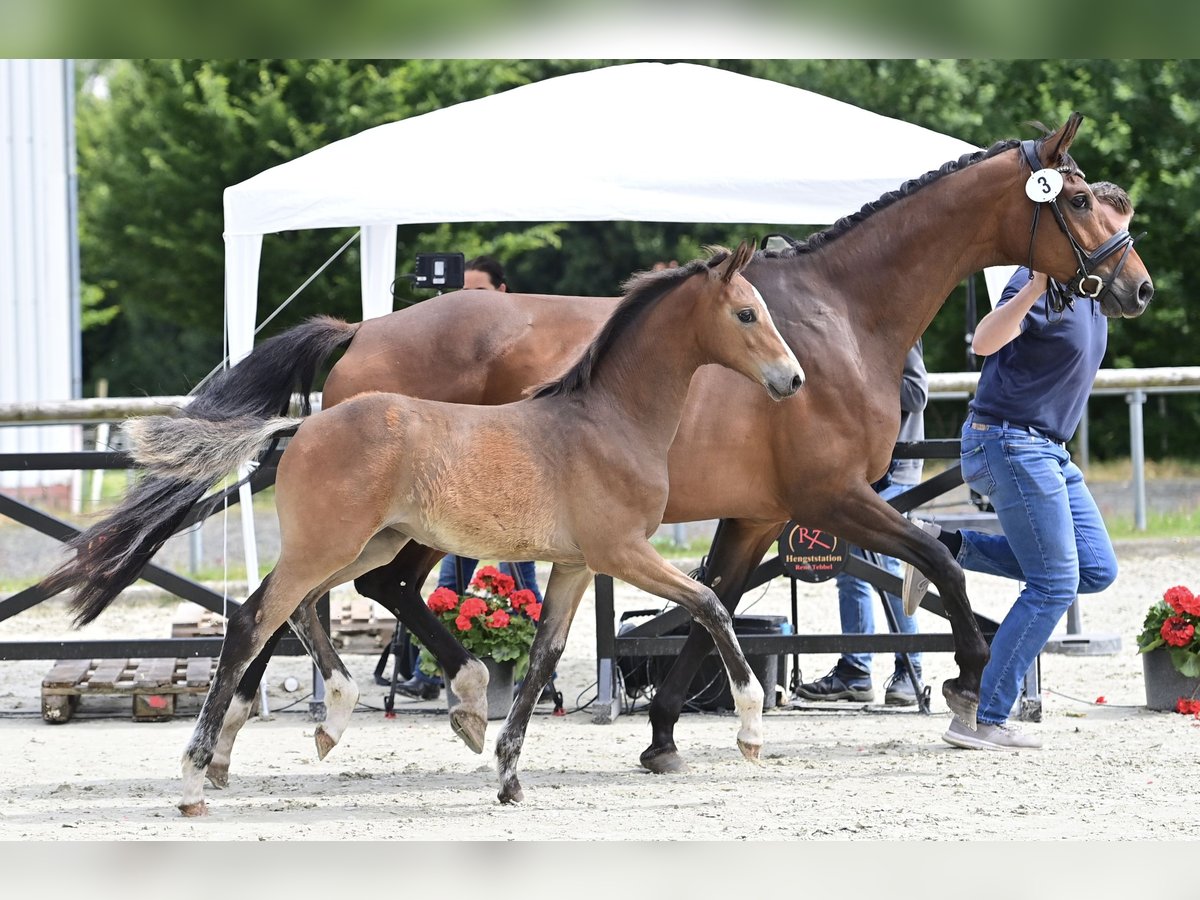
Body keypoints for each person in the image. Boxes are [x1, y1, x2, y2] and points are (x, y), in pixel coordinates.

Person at [904, 181, 1134, 750]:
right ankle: (981, 715)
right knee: (1054, 583)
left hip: (1049, 449)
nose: (1112, 242)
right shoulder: (1043, 281)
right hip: (1006, 439)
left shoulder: (1092, 289)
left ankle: (940, 544)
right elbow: (983, 342)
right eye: (1105, 230)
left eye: (1122, 234)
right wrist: (1031, 289)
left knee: (1095, 569)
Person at [395, 254, 545, 701]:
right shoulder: (459, 349)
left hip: (515, 476)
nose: (469, 305)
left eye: (478, 294)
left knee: (520, 576)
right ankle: (432, 670)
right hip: (463, 475)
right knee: (449, 580)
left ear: (502, 293)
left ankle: (535, 673)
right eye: (462, 296)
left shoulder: (524, 343)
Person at [795, 342, 927, 706]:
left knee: (883, 564)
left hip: (897, 468)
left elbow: (916, 394)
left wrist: (853, 375)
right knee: (849, 568)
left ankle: (909, 667)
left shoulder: (896, 332)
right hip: (861, 471)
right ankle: (856, 669)